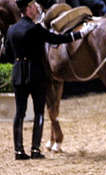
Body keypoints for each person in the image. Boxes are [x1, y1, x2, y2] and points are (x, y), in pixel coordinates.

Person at [4, 0, 96, 160]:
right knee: (39, 112)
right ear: (28, 9)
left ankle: (18, 151)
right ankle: (34, 149)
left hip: (18, 73)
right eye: (33, 6)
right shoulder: (35, 28)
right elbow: (58, 39)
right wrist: (81, 33)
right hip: (36, 74)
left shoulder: (11, 30)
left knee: (19, 113)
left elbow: (8, 55)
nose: (36, 8)